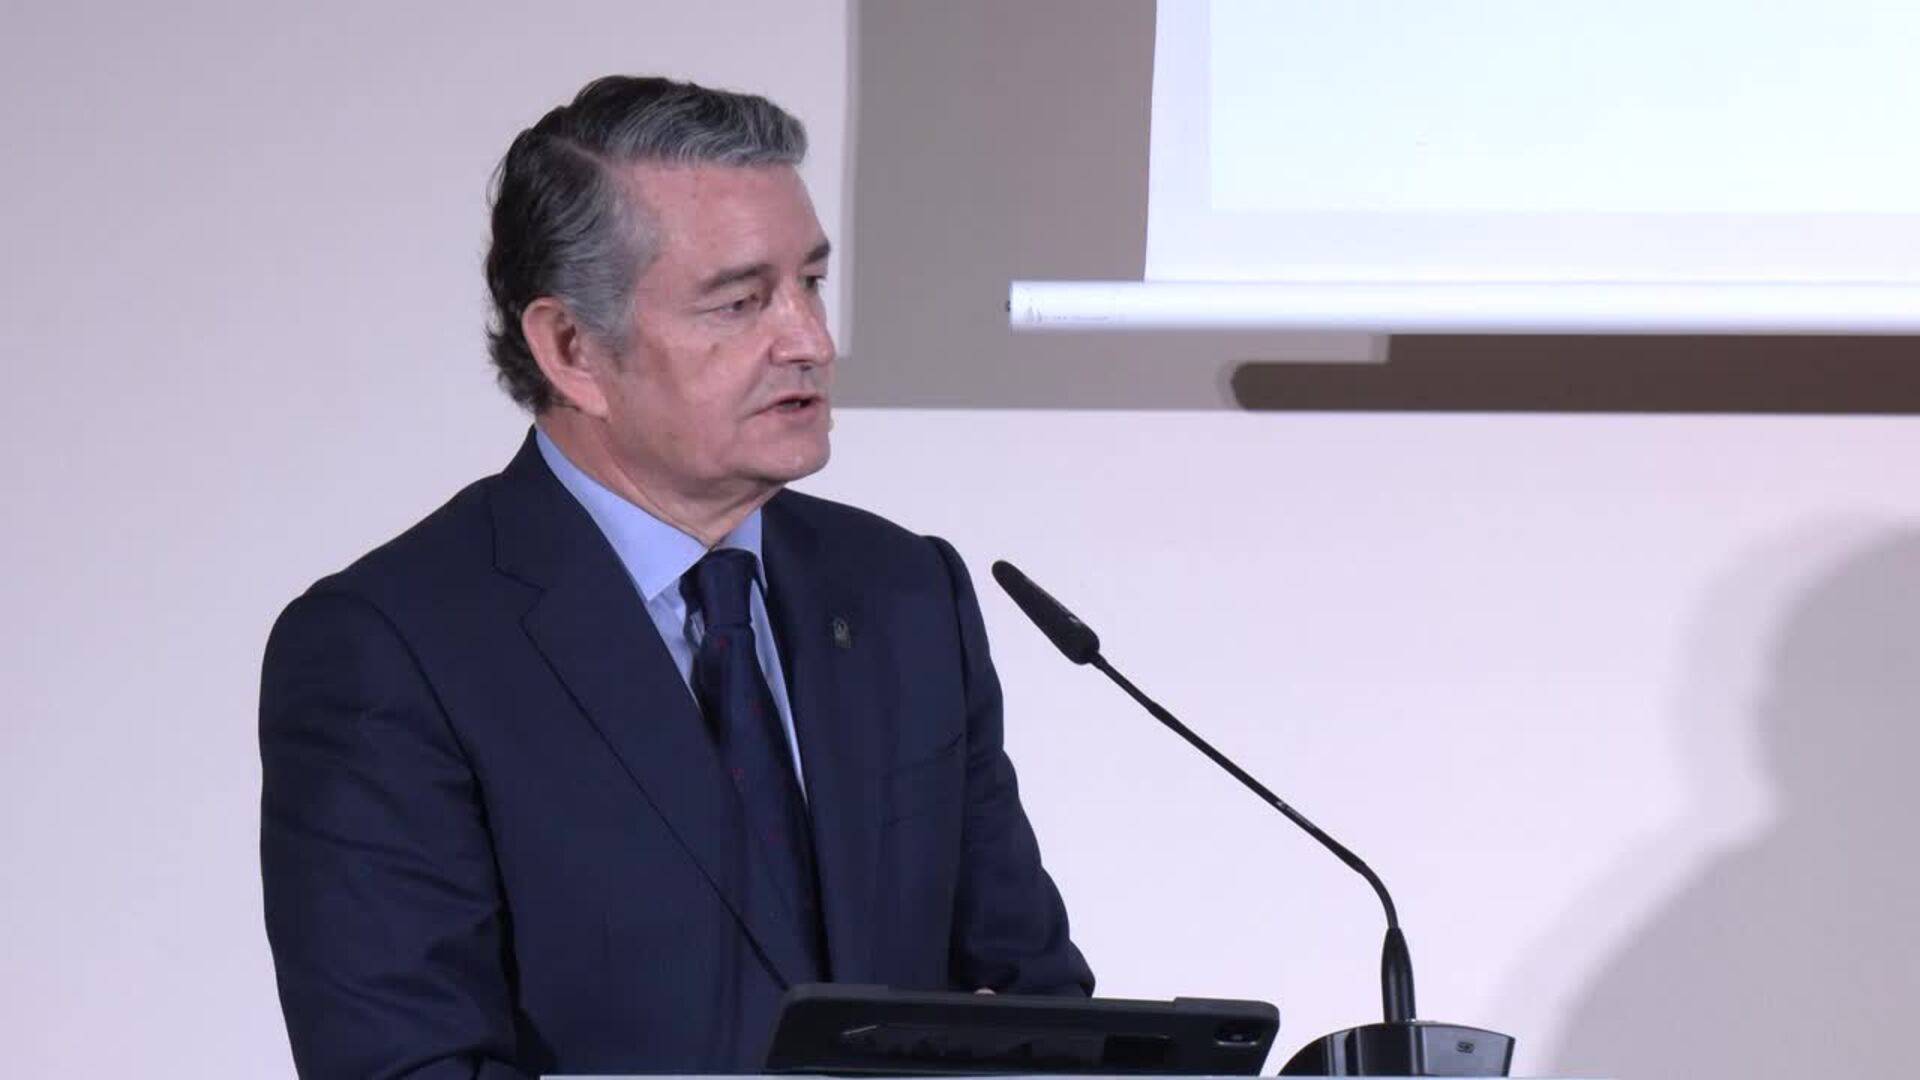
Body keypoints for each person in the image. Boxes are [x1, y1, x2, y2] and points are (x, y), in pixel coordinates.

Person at [259, 75, 1092, 1079]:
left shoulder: (906, 595)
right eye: (740, 302)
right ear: (571, 349)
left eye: (811, 283)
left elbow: (1037, 1005)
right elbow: (407, 1065)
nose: (811, 341)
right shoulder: (391, 651)